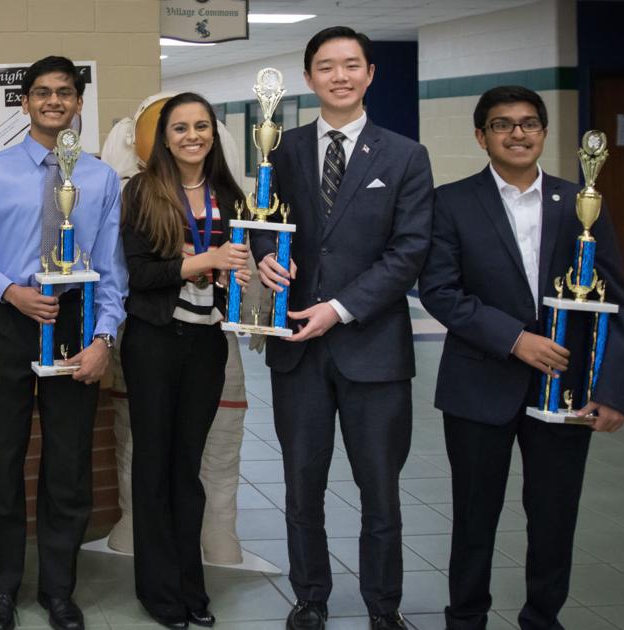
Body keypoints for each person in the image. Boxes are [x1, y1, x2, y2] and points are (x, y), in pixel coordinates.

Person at [418, 86, 624, 630]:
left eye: (529, 123)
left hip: (565, 387)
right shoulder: (451, 202)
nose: (518, 133)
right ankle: (466, 618)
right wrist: (516, 339)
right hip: (479, 383)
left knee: (554, 515)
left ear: (542, 131)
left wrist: (611, 390)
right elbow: (440, 291)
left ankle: (543, 618)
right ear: (481, 136)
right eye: (502, 124)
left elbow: (615, 303)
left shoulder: (582, 202)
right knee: (474, 515)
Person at [252, 26, 434, 630]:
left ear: (370, 74)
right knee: (303, 488)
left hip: (373, 350)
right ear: (308, 78)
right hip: (297, 351)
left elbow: (408, 251)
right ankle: (311, 599)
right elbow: (262, 224)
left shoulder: (405, 155)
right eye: (326, 67)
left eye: (351, 65)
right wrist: (262, 259)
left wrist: (339, 308)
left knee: (379, 492)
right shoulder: (279, 149)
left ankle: (385, 608)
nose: (339, 76)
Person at [0, 55, 127, 630]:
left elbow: (112, 267)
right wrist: (9, 292)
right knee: (1, 457)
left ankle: (59, 588)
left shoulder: (100, 178)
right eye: (43, 92)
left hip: (74, 322)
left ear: (78, 103)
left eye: (65, 92)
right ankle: (1, 586)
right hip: (10, 320)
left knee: (69, 463)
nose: (54, 101)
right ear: (23, 102)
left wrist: (104, 339)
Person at [119, 92, 250, 628]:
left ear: (213, 134)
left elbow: (243, 265)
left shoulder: (230, 194)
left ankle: (189, 582)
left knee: (187, 469)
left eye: (202, 126)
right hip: (153, 340)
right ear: (163, 138)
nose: (192, 135)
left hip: (206, 344)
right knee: (153, 465)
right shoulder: (142, 192)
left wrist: (238, 275)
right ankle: (158, 590)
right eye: (180, 128)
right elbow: (139, 275)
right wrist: (206, 259)